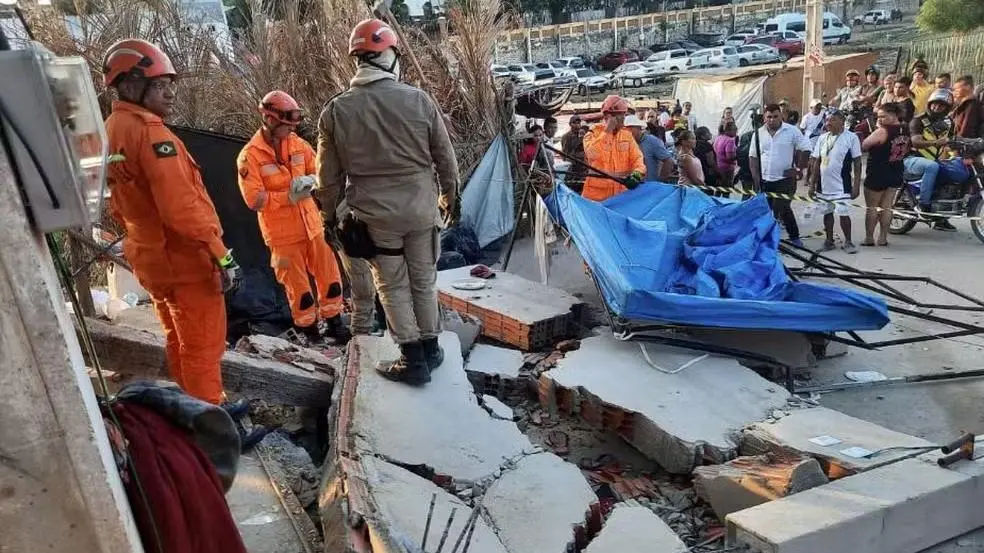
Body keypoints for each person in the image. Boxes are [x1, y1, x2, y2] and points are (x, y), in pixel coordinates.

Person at [316, 18, 460, 385]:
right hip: (421, 209)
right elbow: (445, 158)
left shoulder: (335, 111)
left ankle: (412, 358)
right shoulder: (417, 99)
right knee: (424, 280)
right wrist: (450, 197)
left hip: (375, 216)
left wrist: (329, 219)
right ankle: (431, 350)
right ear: (388, 55)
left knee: (392, 286)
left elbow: (328, 178)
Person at [102, 39, 242, 406]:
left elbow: (121, 204)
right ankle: (212, 430)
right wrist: (220, 254)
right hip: (184, 261)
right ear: (132, 85)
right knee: (203, 347)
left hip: (152, 259)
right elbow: (182, 209)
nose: (170, 94)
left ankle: (190, 412)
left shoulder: (112, 129)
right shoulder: (152, 135)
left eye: (170, 86)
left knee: (179, 341)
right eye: (161, 86)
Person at [237, 90, 348, 344]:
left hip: (313, 225)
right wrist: (288, 197)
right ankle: (309, 331)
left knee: (329, 276)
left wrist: (312, 181)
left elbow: (317, 170)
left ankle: (334, 323)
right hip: (282, 234)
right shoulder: (250, 156)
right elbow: (254, 199)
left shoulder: (298, 145)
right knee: (298, 289)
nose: (289, 130)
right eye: (286, 126)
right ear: (270, 119)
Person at [749, 103, 813, 246]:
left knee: (780, 208)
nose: (772, 120)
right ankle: (787, 237)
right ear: (764, 117)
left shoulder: (792, 131)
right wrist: (756, 178)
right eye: (769, 117)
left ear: (781, 116)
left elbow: (806, 148)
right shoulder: (758, 133)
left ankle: (785, 239)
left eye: (775, 116)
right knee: (771, 210)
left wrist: (798, 169)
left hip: (785, 180)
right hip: (765, 180)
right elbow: (753, 157)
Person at [905, 88, 967, 231]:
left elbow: (952, 142)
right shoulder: (918, 120)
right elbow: (916, 142)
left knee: (957, 171)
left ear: (947, 108)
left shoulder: (948, 122)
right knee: (932, 167)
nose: (936, 107)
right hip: (912, 159)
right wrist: (935, 143)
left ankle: (941, 218)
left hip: (936, 160)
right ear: (929, 104)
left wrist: (970, 145)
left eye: (941, 105)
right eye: (934, 104)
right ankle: (923, 205)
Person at [808, 110, 862, 253]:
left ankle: (848, 241)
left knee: (843, 213)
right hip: (823, 185)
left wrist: (856, 186)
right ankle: (829, 240)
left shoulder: (851, 138)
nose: (828, 123)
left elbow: (857, 163)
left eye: (832, 120)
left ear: (842, 121)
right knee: (827, 213)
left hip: (842, 185)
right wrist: (812, 184)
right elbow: (816, 161)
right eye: (827, 120)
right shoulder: (822, 138)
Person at [861, 103, 910, 246]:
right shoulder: (905, 129)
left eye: (883, 116)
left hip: (878, 170)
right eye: (878, 117)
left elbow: (865, 144)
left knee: (872, 207)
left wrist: (876, 129)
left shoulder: (883, 131)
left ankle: (869, 238)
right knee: (887, 206)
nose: (880, 119)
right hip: (896, 169)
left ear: (894, 115)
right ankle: (883, 238)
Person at [581, 95, 646, 201]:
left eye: (624, 114)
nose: (624, 118)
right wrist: (607, 131)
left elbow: (637, 159)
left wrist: (637, 173)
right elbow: (592, 154)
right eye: (621, 115)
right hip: (596, 198)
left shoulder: (627, 136)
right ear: (609, 116)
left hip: (621, 196)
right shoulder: (592, 134)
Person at [625, 115, 673, 182]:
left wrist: (660, 181)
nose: (627, 131)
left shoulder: (652, 141)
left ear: (639, 127)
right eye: (625, 129)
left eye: (630, 128)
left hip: (650, 186)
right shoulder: (627, 143)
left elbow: (668, 161)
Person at [952, 75, 984, 139]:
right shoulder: (962, 104)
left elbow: (966, 130)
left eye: (957, 89)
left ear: (968, 87)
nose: (955, 92)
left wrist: (955, 143)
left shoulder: (972, 105)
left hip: (964, 144)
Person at [561, 115, 587, 192]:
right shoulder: (566, 137)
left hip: (583, 167)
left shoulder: (584, 135)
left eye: (578, 123)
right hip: (572, 168)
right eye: (574, 123)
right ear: (570, 124)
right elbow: (565, 154)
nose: (577, 125)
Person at [713, 121, 739, 191]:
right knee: (726, 190)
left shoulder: (718, 138)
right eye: (735, 130)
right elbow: (729, 157)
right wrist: (739, 155)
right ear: (728, 130)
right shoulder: (730, 140)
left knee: (718, 189)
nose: (736, 133)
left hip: (718, 166)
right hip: (727, 169)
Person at [694, 126, 719, 193]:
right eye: (708, 133)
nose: (710, 134)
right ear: (702, 136)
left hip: (696, 174)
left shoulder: (694, 144)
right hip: (707, 174)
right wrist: (718, 173)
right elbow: (711, 162)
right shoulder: (707, 146)